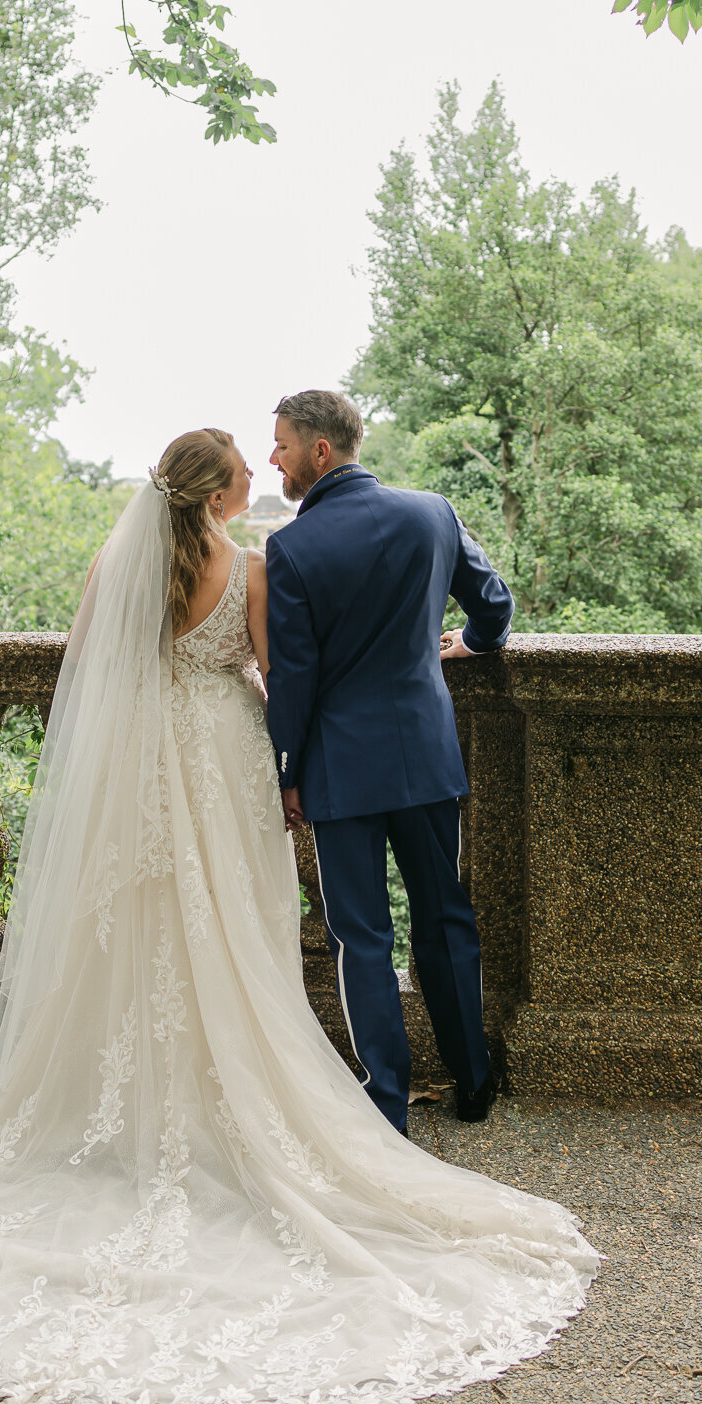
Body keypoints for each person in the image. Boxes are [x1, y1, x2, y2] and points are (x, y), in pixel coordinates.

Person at [0, 427, 596, 1404]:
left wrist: (218, 718)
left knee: (147, 927)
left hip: (142, 770)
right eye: (248, 472)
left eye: (276, 456)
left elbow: (88, 670)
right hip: (237, 756)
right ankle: (380, 1086)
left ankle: (187, 1098)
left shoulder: (119, 561)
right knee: (267, 926)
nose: (264, 475)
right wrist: (287, 746)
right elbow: (272, 676)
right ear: (219, 494)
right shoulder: (262, 562)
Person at [265, 389, 511, 1137]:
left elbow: (294, 678)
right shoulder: (431, 512)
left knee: (361, 938)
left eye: (279, 444)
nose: (272, 457)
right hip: (427, 754)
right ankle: (472, 1079)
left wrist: (286, 772)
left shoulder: (292, 547)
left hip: (340, 769)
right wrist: (469, 644)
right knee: (445, 916)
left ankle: (384, 1105)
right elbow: (493, 606)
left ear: (319, 450)